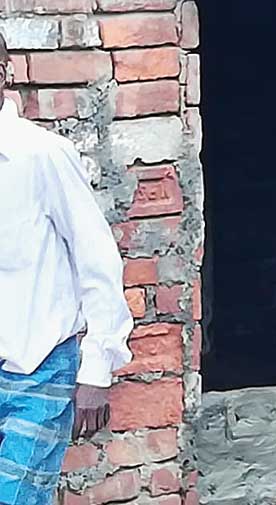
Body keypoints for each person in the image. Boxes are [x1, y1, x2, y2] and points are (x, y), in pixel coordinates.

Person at [0, 32, 134, 503]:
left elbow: (96, 259)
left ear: (4, 76)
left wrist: (97, 367)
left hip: (35, 370)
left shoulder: (41, 155)